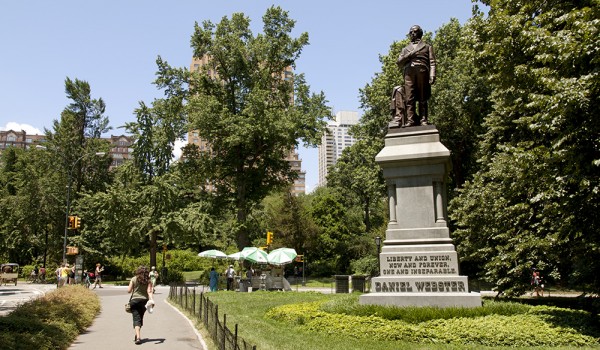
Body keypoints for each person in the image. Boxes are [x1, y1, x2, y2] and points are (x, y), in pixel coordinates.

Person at [395, 25, 436, 127]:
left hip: (422, 71)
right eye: (411, 32)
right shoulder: (405, 49)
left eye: (415, 32)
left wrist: (432, 75)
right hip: (409, 73)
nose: (412, 34)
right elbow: (399, 63)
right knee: (409, 97)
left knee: (423, 97)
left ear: (420, 33)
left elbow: (432, 62)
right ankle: (410, 120)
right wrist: (409, 56)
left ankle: (423, 120)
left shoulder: (427, 47)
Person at [127, 266, 155, 345]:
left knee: (136, 318)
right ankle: (137, 334)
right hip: (144, 301)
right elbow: (149, 291)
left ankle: (138, 337)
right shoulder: (148, 280)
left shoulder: (133, 279)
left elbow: (129, 291)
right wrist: (152, 300)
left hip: (134, 300)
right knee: (140, 317)